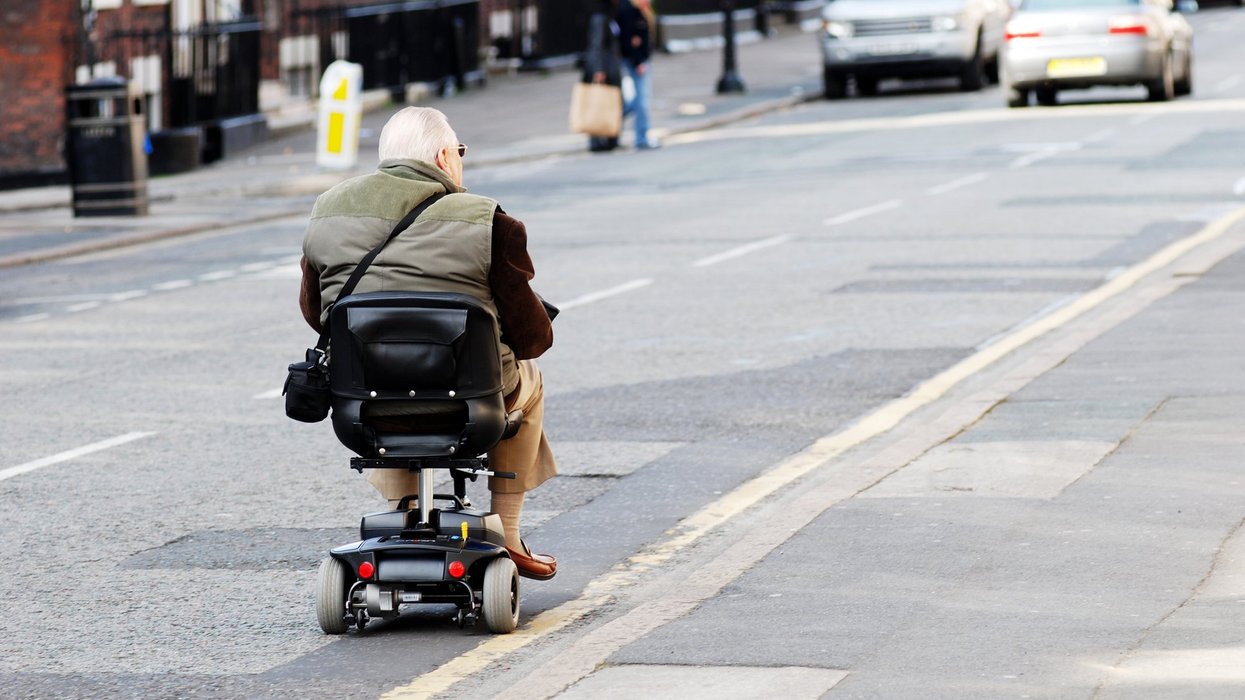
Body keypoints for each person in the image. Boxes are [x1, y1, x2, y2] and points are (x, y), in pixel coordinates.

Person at [298, 107, 558, 581]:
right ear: (443, 156)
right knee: (530, 378)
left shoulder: (328, 210)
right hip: (473, 402)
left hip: (362, 405)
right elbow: (532, 338)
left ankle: (404, 508)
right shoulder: (489, 221)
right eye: (459, 152)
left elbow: (318, 315)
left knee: (382, 377)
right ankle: (511, 531)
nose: (460, 160)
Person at [582, 0, 623, 152]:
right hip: (605, 69)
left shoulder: (610, 16)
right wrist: (598, 70)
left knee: (611, 104)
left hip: (611, 68)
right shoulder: (599, 18)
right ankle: (597, 141)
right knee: (598, 104)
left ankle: (611, 138)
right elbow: (596, 45)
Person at [617, 0, 658, 149]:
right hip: (637, 62)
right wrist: (637, 61)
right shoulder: (629, 9)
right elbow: (628, 39)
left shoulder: (642, 9)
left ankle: (617, 115)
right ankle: (641, 138)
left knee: (641, 99)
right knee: (642, 101)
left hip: (642, 60)